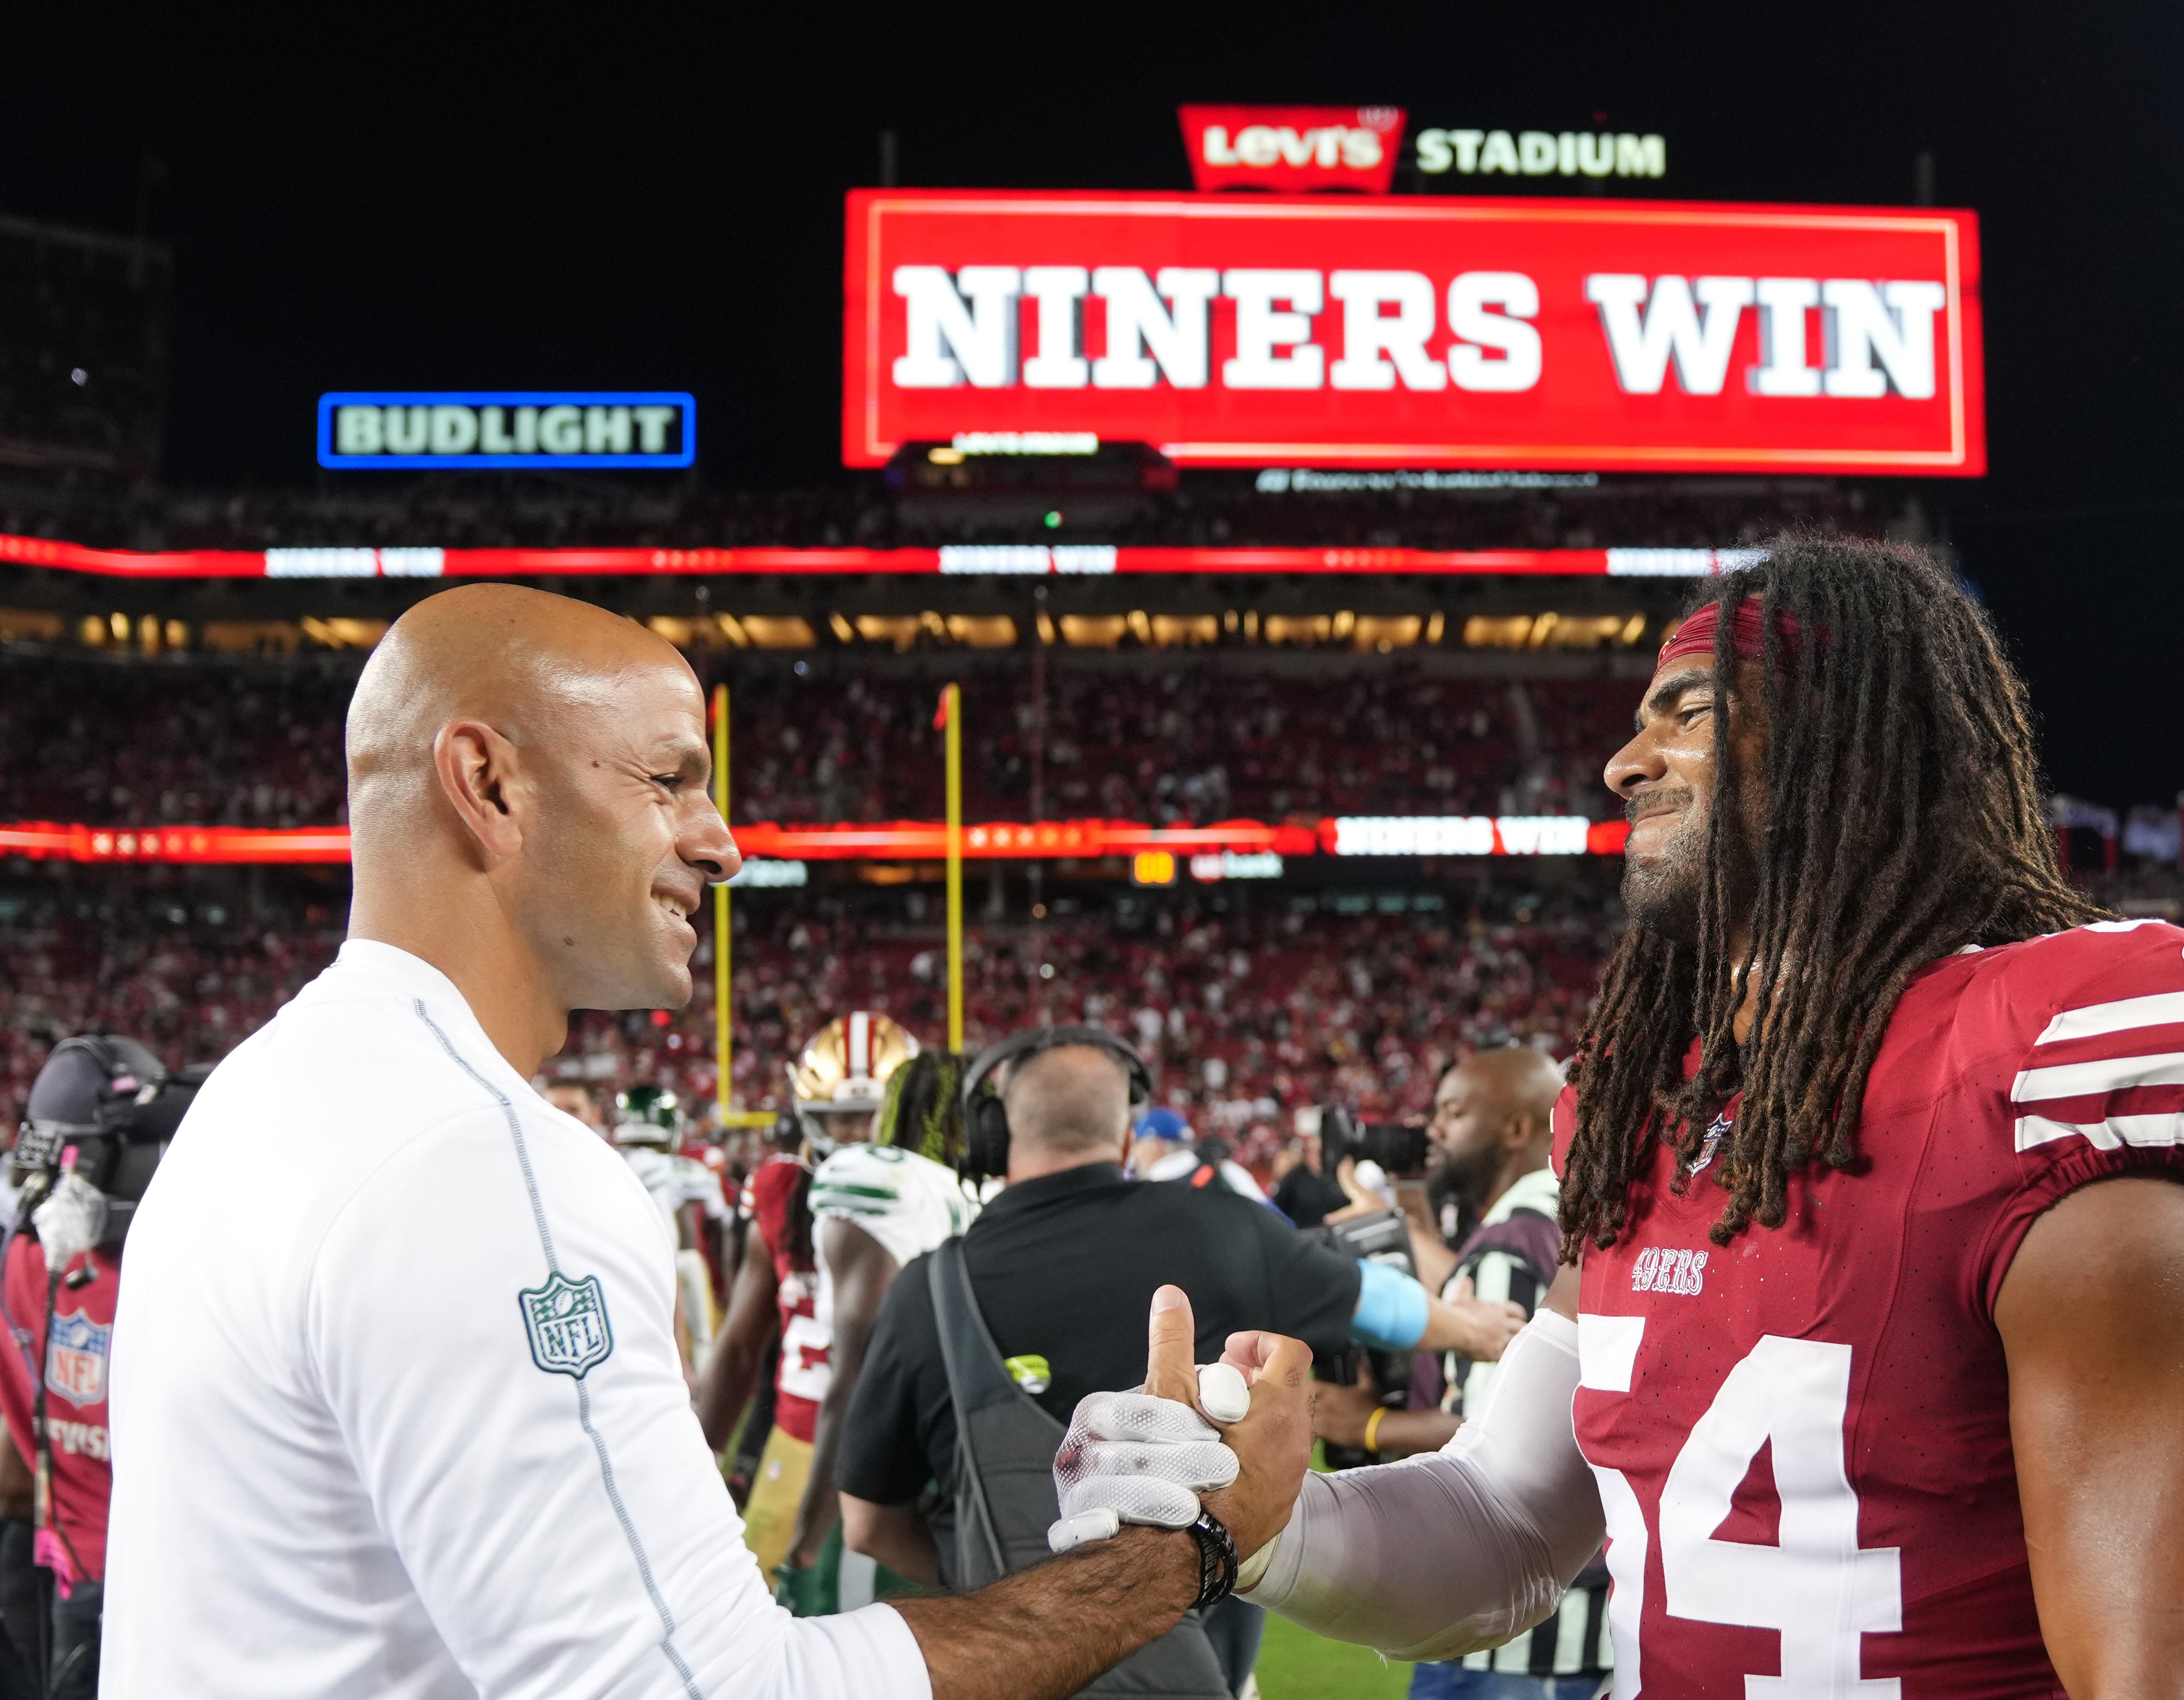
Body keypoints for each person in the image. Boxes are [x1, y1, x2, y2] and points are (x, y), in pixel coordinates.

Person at [1057, 539, 2184, 1696]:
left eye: (1692, 713)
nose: (1624, 761)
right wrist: (1274, 1524)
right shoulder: (1651, 1106)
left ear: (1853, 745)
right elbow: (1508, 1525)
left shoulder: (2051, 1055)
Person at [99, 583, 1318, 1700]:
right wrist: (1173, 1561)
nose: (719, 840)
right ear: (488, 780)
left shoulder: (262, 1094)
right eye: (667, 780)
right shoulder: (478, 1162)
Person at [834, 1027, 1526, 1698]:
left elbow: (868, 1523)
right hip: (1198, 1662)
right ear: (1130, 1133)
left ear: (992, 1136)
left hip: (1009, 1670)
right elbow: (1378, 1302)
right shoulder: (1224, 1226)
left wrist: (1006, 1590)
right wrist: (1476, 1331)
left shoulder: (927, 1290)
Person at [1310, 1047, 1609, 1700]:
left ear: (1516, 1128)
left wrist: (1369, 1423)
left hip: (1510, 1634)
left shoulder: (1509, 1241)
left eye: (1453, 1111)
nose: (1433, 1130)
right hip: (1585, 1612)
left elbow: (1496, 1436)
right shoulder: (1578, 1222)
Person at [0, 1037, 196, 1700]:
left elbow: (19, 1464)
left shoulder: (17, 1262)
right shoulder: (179, 1277)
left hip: (72, 1571)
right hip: (174, 1581)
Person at [781, 1041, 976, 1616]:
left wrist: (806, 1538)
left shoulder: (875, 1180)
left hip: (880, 1482)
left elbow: (857, 1377)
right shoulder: (974, 1192)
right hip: (959, 1481)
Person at [611, 1085, 733, 1380]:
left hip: (623, 1267)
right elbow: (720, 1220)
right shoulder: (682, 1169)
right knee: (701, 1338)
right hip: (677, 1265)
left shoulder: (608, 1163)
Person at [1133, 1109, 1267, 1202]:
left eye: (1138, 1143)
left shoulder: (1152, 1185)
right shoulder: (1230, 1171)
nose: (1135, 1152)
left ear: (1154, 1145)